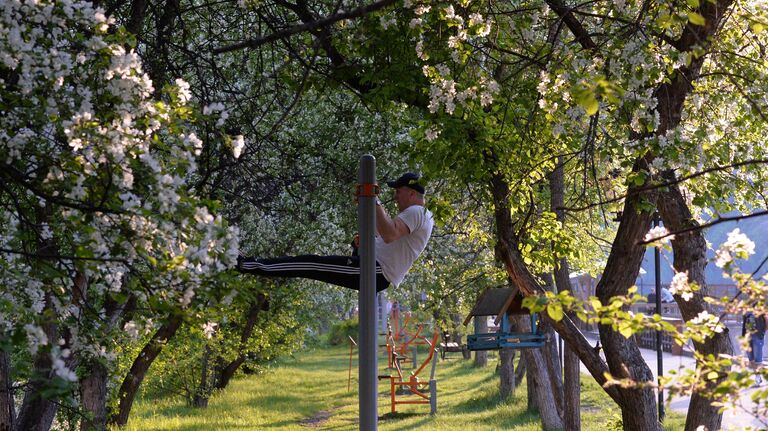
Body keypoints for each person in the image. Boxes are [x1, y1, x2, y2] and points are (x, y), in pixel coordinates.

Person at [237, 172, 434, 292]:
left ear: (411, 193)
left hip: (375, 271)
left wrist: (374, 199)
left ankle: (248, 265)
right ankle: (248, 264)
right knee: (310, 263)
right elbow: (383, 233)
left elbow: (390, 234)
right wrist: (367, 208)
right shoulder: (418, 215)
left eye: (398, 192)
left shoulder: (418, 212)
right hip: (372, 267)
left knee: (310, 263)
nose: (396, 197)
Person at [742, 311, 766, 386]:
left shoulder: (761, 309)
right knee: (751, 358)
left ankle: (757, 378)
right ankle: (757, 376)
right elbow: (744, 325)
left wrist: (762, 333)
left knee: (757, 358)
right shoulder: (746, 311)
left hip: (757, 336)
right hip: (747, 336)